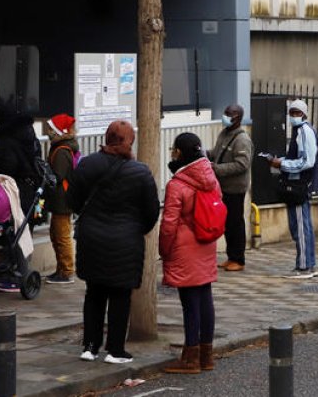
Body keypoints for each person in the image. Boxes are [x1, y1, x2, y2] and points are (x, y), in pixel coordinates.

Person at [69, 120, 160, 364]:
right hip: (126, 241)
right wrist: (135, 228)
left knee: (94, 293)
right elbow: (152, 211)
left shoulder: (88, 164)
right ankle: (116, 350)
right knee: (120, 295)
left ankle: (89, 347)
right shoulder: (140, 171)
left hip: (92, 239)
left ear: (107, 137)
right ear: (130, 141)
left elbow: (73, 201)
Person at [160, 133, 221, 374]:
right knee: (205, 297)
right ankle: (206, 355)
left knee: (189, 303)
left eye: (174, 149)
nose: (172, 153)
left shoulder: (178, 184)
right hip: (206, 242)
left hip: (184, 248)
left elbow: (168, 224)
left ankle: (191, 358)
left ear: (179, 153)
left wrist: (164, 251)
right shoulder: (210, 177)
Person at [268, 99, 318, 278]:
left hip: (298, 185)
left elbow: (307, 161)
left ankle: (304, 266)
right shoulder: (300, 131)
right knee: (302, 226)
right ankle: (308, 263)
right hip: (299, 185)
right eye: (291, 113)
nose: (293, 116)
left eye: (297, 113)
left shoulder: (304, 132)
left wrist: (282, 165)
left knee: (300, 227)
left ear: (304, 114)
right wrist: (282, 161)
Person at [208, 104, 252, 272]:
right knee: (227, 223)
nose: (226, 116)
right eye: (225, 113)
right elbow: (217, 153)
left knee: (235, 223)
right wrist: (205, 154)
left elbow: (242, 164)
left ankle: (238, 259)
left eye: (230, 114)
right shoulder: (224, 134)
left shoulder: (242, 139)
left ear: (238, 118)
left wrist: (217, 169)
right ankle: (231, 256)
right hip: (223, 187)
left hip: (235, 188)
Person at [0, 98, 43, 217]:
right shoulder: (30, 135)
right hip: (32, 189)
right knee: (27, 227)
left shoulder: (5, 142)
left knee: (15, 231)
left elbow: (6, 168)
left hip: (12, 192)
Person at [45, 113, 79, 284]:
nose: (48, 131)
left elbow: (58, 176)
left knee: (62, 235)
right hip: (62, 199)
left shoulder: (61, 151)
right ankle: (61, 268)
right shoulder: (63, 148)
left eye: (51, 128)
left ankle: (66, 271)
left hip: (62, 199)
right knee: (56, 234)